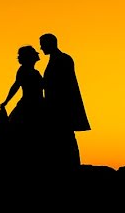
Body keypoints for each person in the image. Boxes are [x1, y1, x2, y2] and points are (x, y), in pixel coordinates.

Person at [39, 32, 91, 170]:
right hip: (54, 105)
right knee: (59, 137)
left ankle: (70, 165)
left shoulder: (63, 59)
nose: (41, 48)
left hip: (61, 107)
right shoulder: (57, 59)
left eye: (42, 45)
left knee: (65, 137)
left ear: (50, 43)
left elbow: (64, 84)